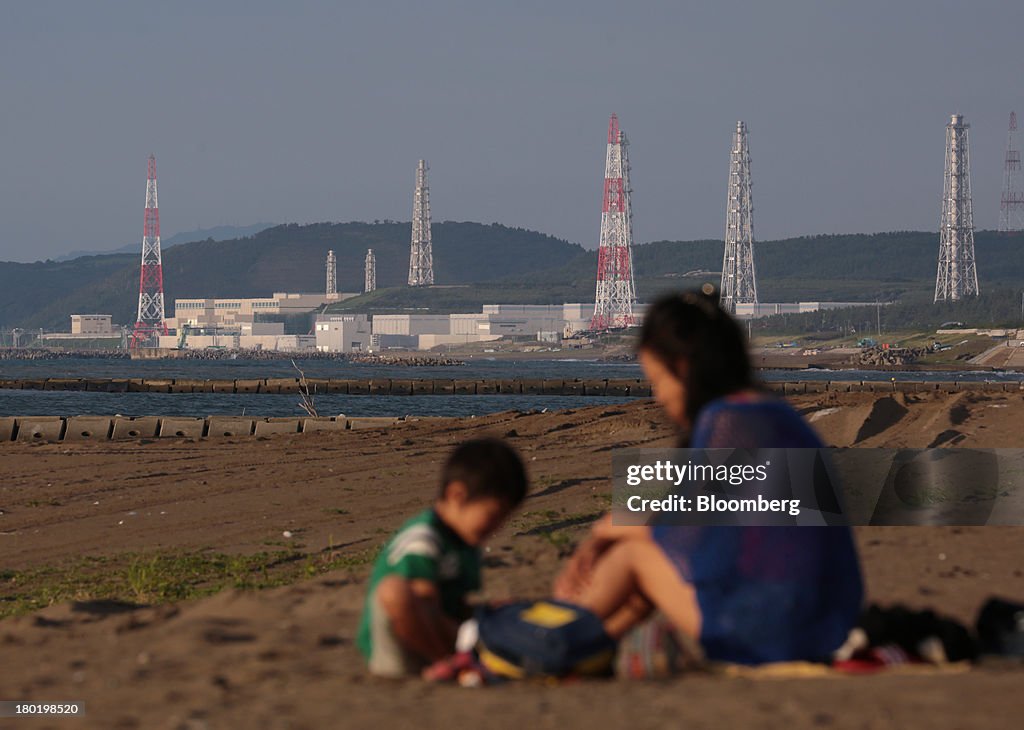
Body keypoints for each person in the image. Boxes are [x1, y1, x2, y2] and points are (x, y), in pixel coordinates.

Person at [554, 288, 864, 665]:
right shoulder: (770, 415)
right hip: (823, 619)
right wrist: (618, 525)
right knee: (638, 578)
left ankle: (543, 638)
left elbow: (686, 540)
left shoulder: (730, 420)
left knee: (632, 556)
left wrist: (606, 532)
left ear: (683, 367)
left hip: (775, 627)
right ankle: (580, 652)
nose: (658, 397)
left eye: (657, 380)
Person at [356, 438, 528, 677]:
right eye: (493, 516)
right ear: (456, 495)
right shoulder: (422, 540)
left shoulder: (465, 543)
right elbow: (424, 602)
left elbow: (458, 603)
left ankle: (459, 658)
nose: (497, 526)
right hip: (400, 649)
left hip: (442, 630)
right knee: (395, 592)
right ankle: (449, 661)